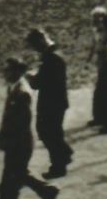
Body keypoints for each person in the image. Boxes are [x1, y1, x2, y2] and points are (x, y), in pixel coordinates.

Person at [0, 58, 60, 199]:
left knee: (10, 178)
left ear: (17, 71)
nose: (5, 73)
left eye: (8, 70)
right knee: (19, 173)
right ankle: (47, 191)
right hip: (18, 140)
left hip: (19, 141)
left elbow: (21, 121)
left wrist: (8, 137)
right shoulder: (16, 88)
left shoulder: (22, 92)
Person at [25, 29, 73, 179]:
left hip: (52, 102)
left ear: (40, 41)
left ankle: (59, 166)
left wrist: (28, 77)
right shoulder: (53, 54)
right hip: (55, 101)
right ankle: (64, 154)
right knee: (52, 132)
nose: (35, 50)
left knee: (48, 133)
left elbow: (39, 83)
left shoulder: (52, 58)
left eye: (35, 46)